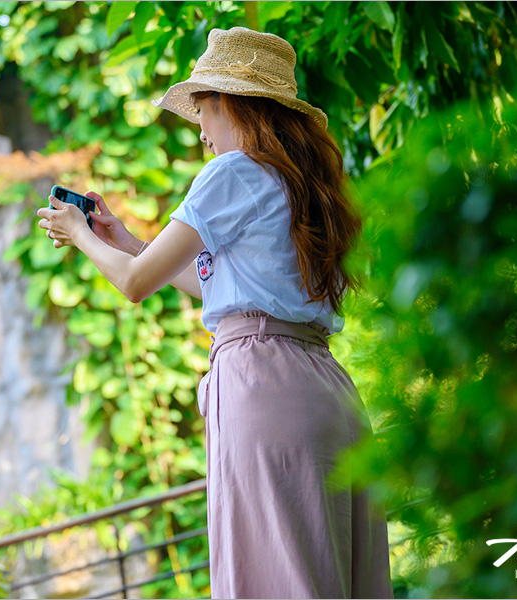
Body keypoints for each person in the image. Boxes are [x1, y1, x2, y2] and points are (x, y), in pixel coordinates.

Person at [38, 26, 394, 600]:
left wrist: (80, 235)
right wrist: (128, 239)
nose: (200, 131)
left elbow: (133, 286)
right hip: (325, 389)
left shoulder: (232, 171)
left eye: (201, 109)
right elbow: (224, 289)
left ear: (229, 102)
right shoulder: (302, 184)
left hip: (264, 387)